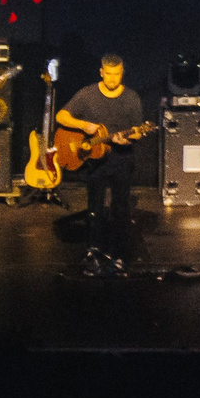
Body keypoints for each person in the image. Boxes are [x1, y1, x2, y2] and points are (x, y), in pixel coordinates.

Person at [55, 55, 147, 262]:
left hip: (121, 159)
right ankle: (93, 248)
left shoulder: (131, 97)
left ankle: (120, 251)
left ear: (122, 73)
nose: (113, 79)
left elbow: (138, 131)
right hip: (95, 161)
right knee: (94, 206)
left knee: (120, 206)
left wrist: (129, 139)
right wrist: (82, 125)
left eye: (117, 74)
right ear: (101, 72)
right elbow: (61, 116)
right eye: (109, 74)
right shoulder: (87, 95)